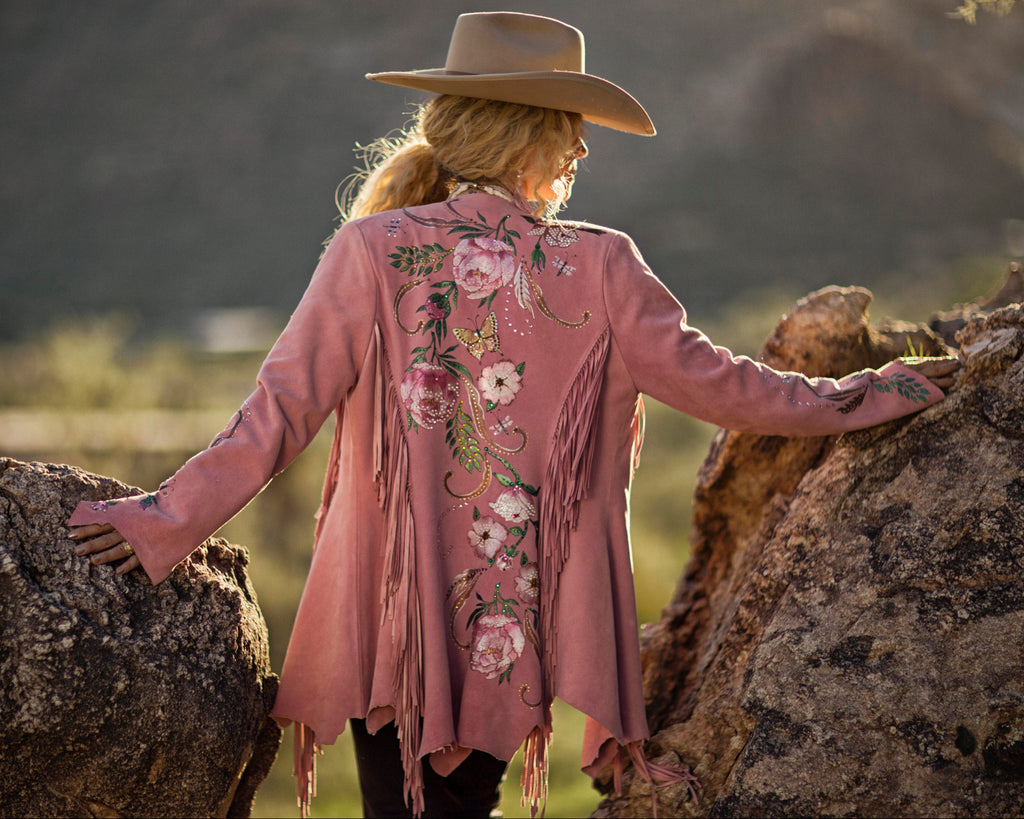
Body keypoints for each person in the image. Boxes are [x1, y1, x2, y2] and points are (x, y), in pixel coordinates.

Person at [68, 11, 960, 819]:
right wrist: (876, 395)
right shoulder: (603, 267)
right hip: (509, 631)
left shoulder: (370, 250)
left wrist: (163, 520)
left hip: (397, 628)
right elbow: (736, 388)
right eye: (570, 130)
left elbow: (276, 416)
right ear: (531, 135)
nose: (581, 154)